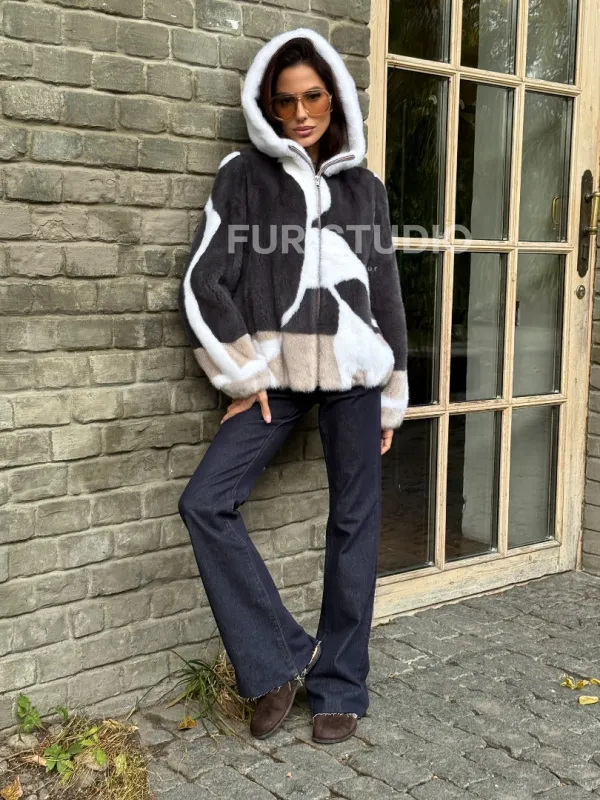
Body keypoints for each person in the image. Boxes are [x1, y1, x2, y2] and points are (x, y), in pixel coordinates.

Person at [177, 27, 409, 745]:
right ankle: (278, 660)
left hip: (355, 376)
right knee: (205, 502)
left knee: (355, 524)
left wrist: (392, 396)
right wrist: (242, 372)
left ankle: (341, 684)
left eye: (313, 97)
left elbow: (386, 295)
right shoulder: (244, 177)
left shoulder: (364, 190)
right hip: (276, 378)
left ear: (333, 99)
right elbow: (204, 279)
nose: (301, 113)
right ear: (268, 106)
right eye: (286, 101)